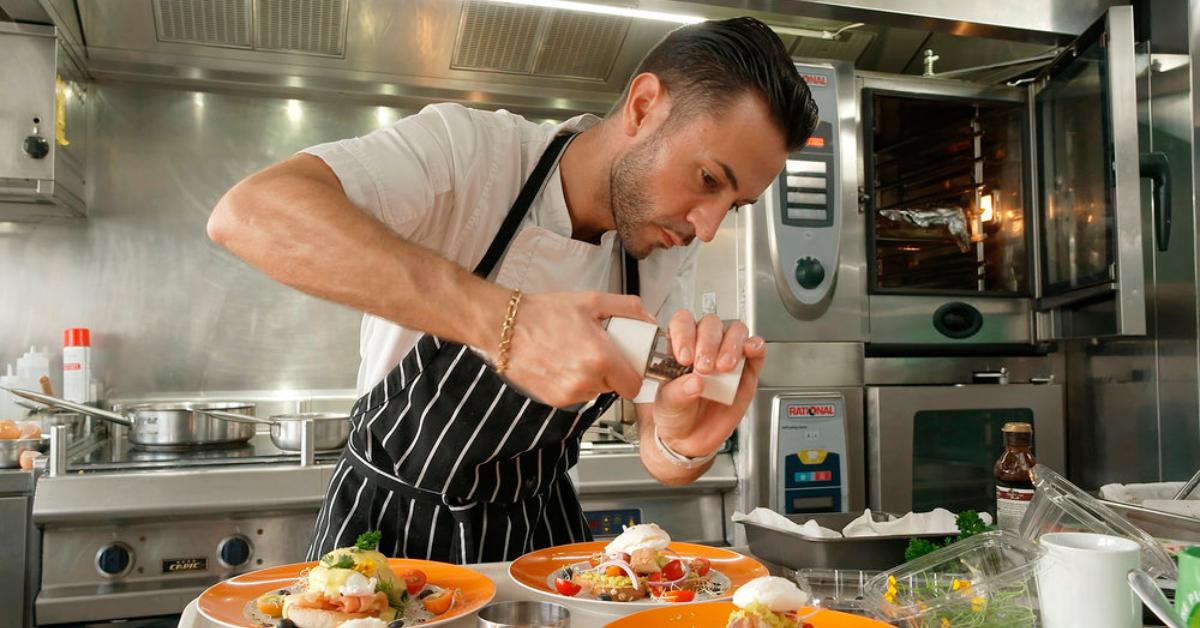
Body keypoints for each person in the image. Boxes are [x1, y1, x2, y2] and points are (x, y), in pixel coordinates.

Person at [207, 16, 818, 564]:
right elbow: (250, 212)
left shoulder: (658, 250)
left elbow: (658, 444)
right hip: (385, 535)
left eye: (733, 206)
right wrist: (506, 321)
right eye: (709, 179)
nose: (706, 228)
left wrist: (682, 442)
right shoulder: (469, 152)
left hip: (539, 542)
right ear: (642, 106)